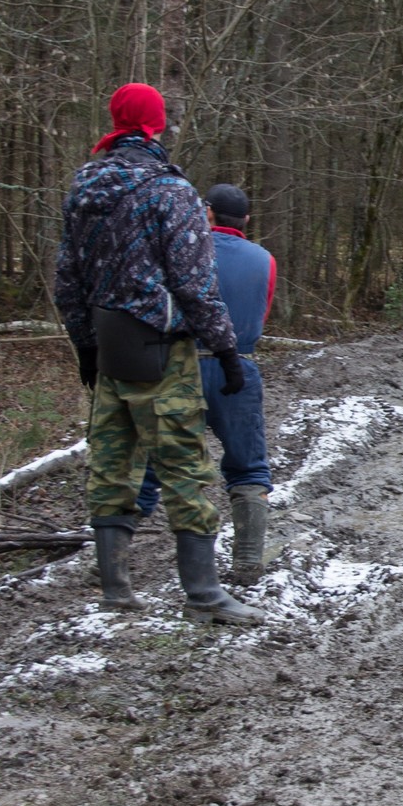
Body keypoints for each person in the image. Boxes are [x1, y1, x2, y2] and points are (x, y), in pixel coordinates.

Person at [52, 82, 265, 625]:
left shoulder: (82, 187)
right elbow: (195, 283)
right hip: (161, 349)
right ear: (156, 125)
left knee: (111, 466)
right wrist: (226, 348)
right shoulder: (170, 191)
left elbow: (67, 279)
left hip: (108, 347)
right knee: (185, 468)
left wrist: (85, 346)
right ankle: (204, 595)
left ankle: (116, 590)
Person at [135, 182, 276, 584]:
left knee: (148, 463)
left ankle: (109, 561)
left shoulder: (179, 251)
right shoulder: (265, 260)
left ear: (207, 212)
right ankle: (247, 561)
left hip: (178, 368)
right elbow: (261, 315)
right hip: (239, 368)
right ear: (246, 220)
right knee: (248, 467)